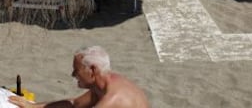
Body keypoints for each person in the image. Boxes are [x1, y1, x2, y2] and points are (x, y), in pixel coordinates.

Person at [9, 46, 149, 108]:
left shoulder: (112, 99)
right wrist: (33, 106)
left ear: (92, 70)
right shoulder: (105, 83)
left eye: (76, 70)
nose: (73, 75)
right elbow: (75, 104)